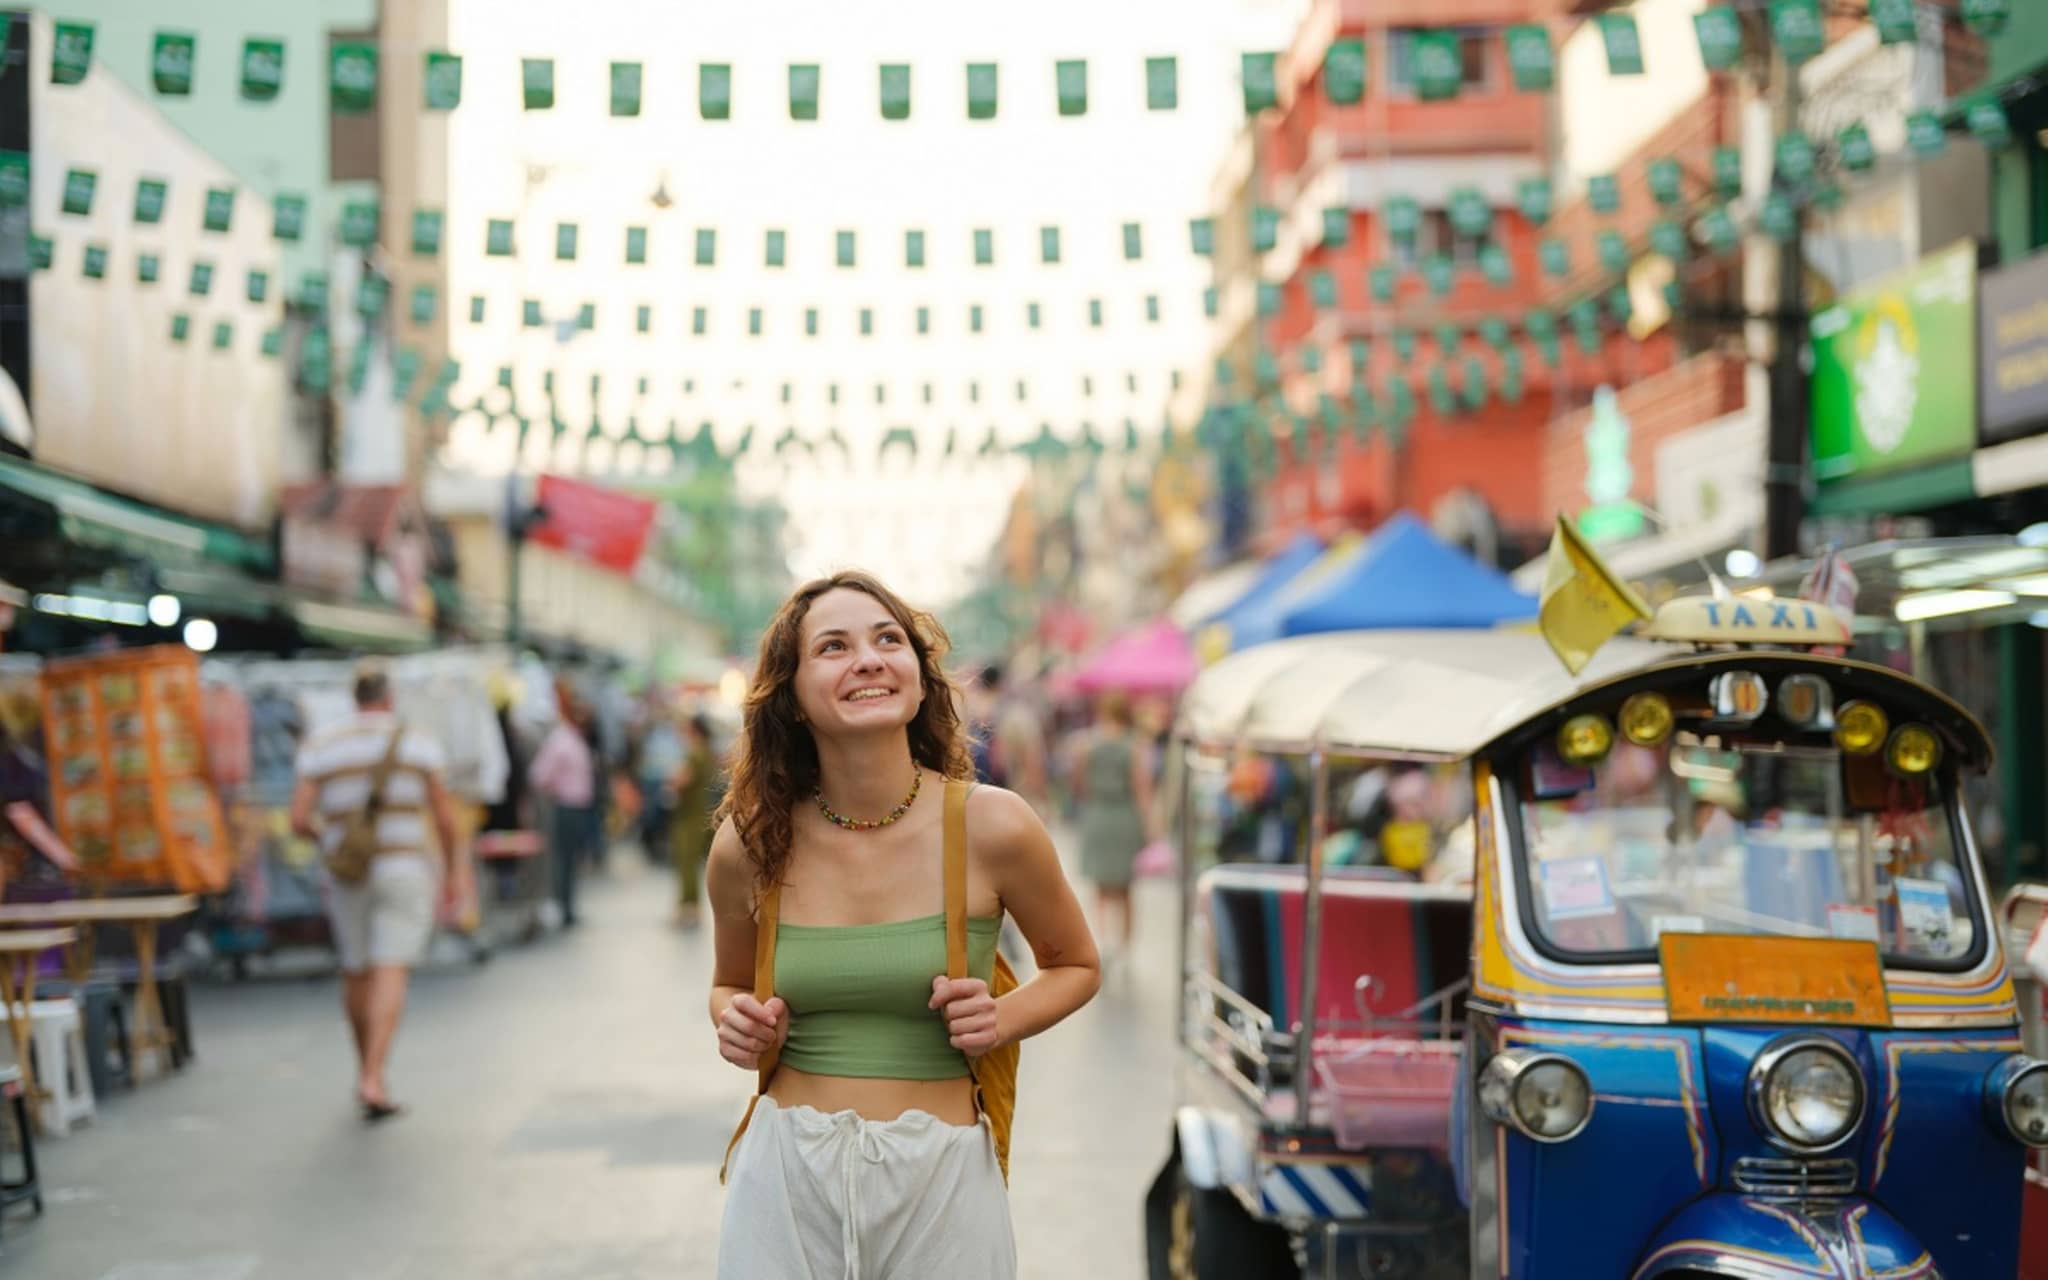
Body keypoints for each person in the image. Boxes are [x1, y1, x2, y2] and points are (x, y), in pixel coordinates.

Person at [708, 571, 1100, 1278]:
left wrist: (1004, 1018)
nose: (868, 658)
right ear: (791, 697)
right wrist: (735, 1020)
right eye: (833, 646)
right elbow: (729, 984)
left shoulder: (993, 824)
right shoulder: (749, 842)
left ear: (920, 682)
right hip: (785, 1176)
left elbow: (1077, 964)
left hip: (943, 1178)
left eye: (888, 640)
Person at [290, 663, 468, 1122]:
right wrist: (453, 872)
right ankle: (374, 1075)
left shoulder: (324, 745)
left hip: (348, 874)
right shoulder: (418, 742)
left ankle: (364, 1069)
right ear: (389, 698)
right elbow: (445, 819)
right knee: (391, 967)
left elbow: (297, 820)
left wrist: (333, 840)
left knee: (356, 967)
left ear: (354, 699)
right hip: (404, 865)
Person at [1071, 693, 1155, 954]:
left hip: (1097, 814)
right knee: (1126, 886)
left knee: (1100, 886)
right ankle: (1125, 945)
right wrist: (1151, 826)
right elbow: (1141, 787)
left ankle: (1104, 939)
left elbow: (1079, 784)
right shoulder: (1134, 745)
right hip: (1124, 816)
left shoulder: (1086, 743)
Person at [529, 684, 597, 928]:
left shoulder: (573, 738)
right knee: (563, 859)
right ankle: (562, 907)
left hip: (578, 807)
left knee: (571, 859)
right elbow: (539, 775)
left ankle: (567, 907)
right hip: (566, 806)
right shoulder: (560, 740)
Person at [670, 713, 717, 925]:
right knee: (692, 861)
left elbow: (682, 780)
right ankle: (692, 906)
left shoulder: (694, 754)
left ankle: (688, 906)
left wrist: (673, 780)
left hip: (689, 815)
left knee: (686, 862)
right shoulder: (707, 752)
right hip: (701, 813)